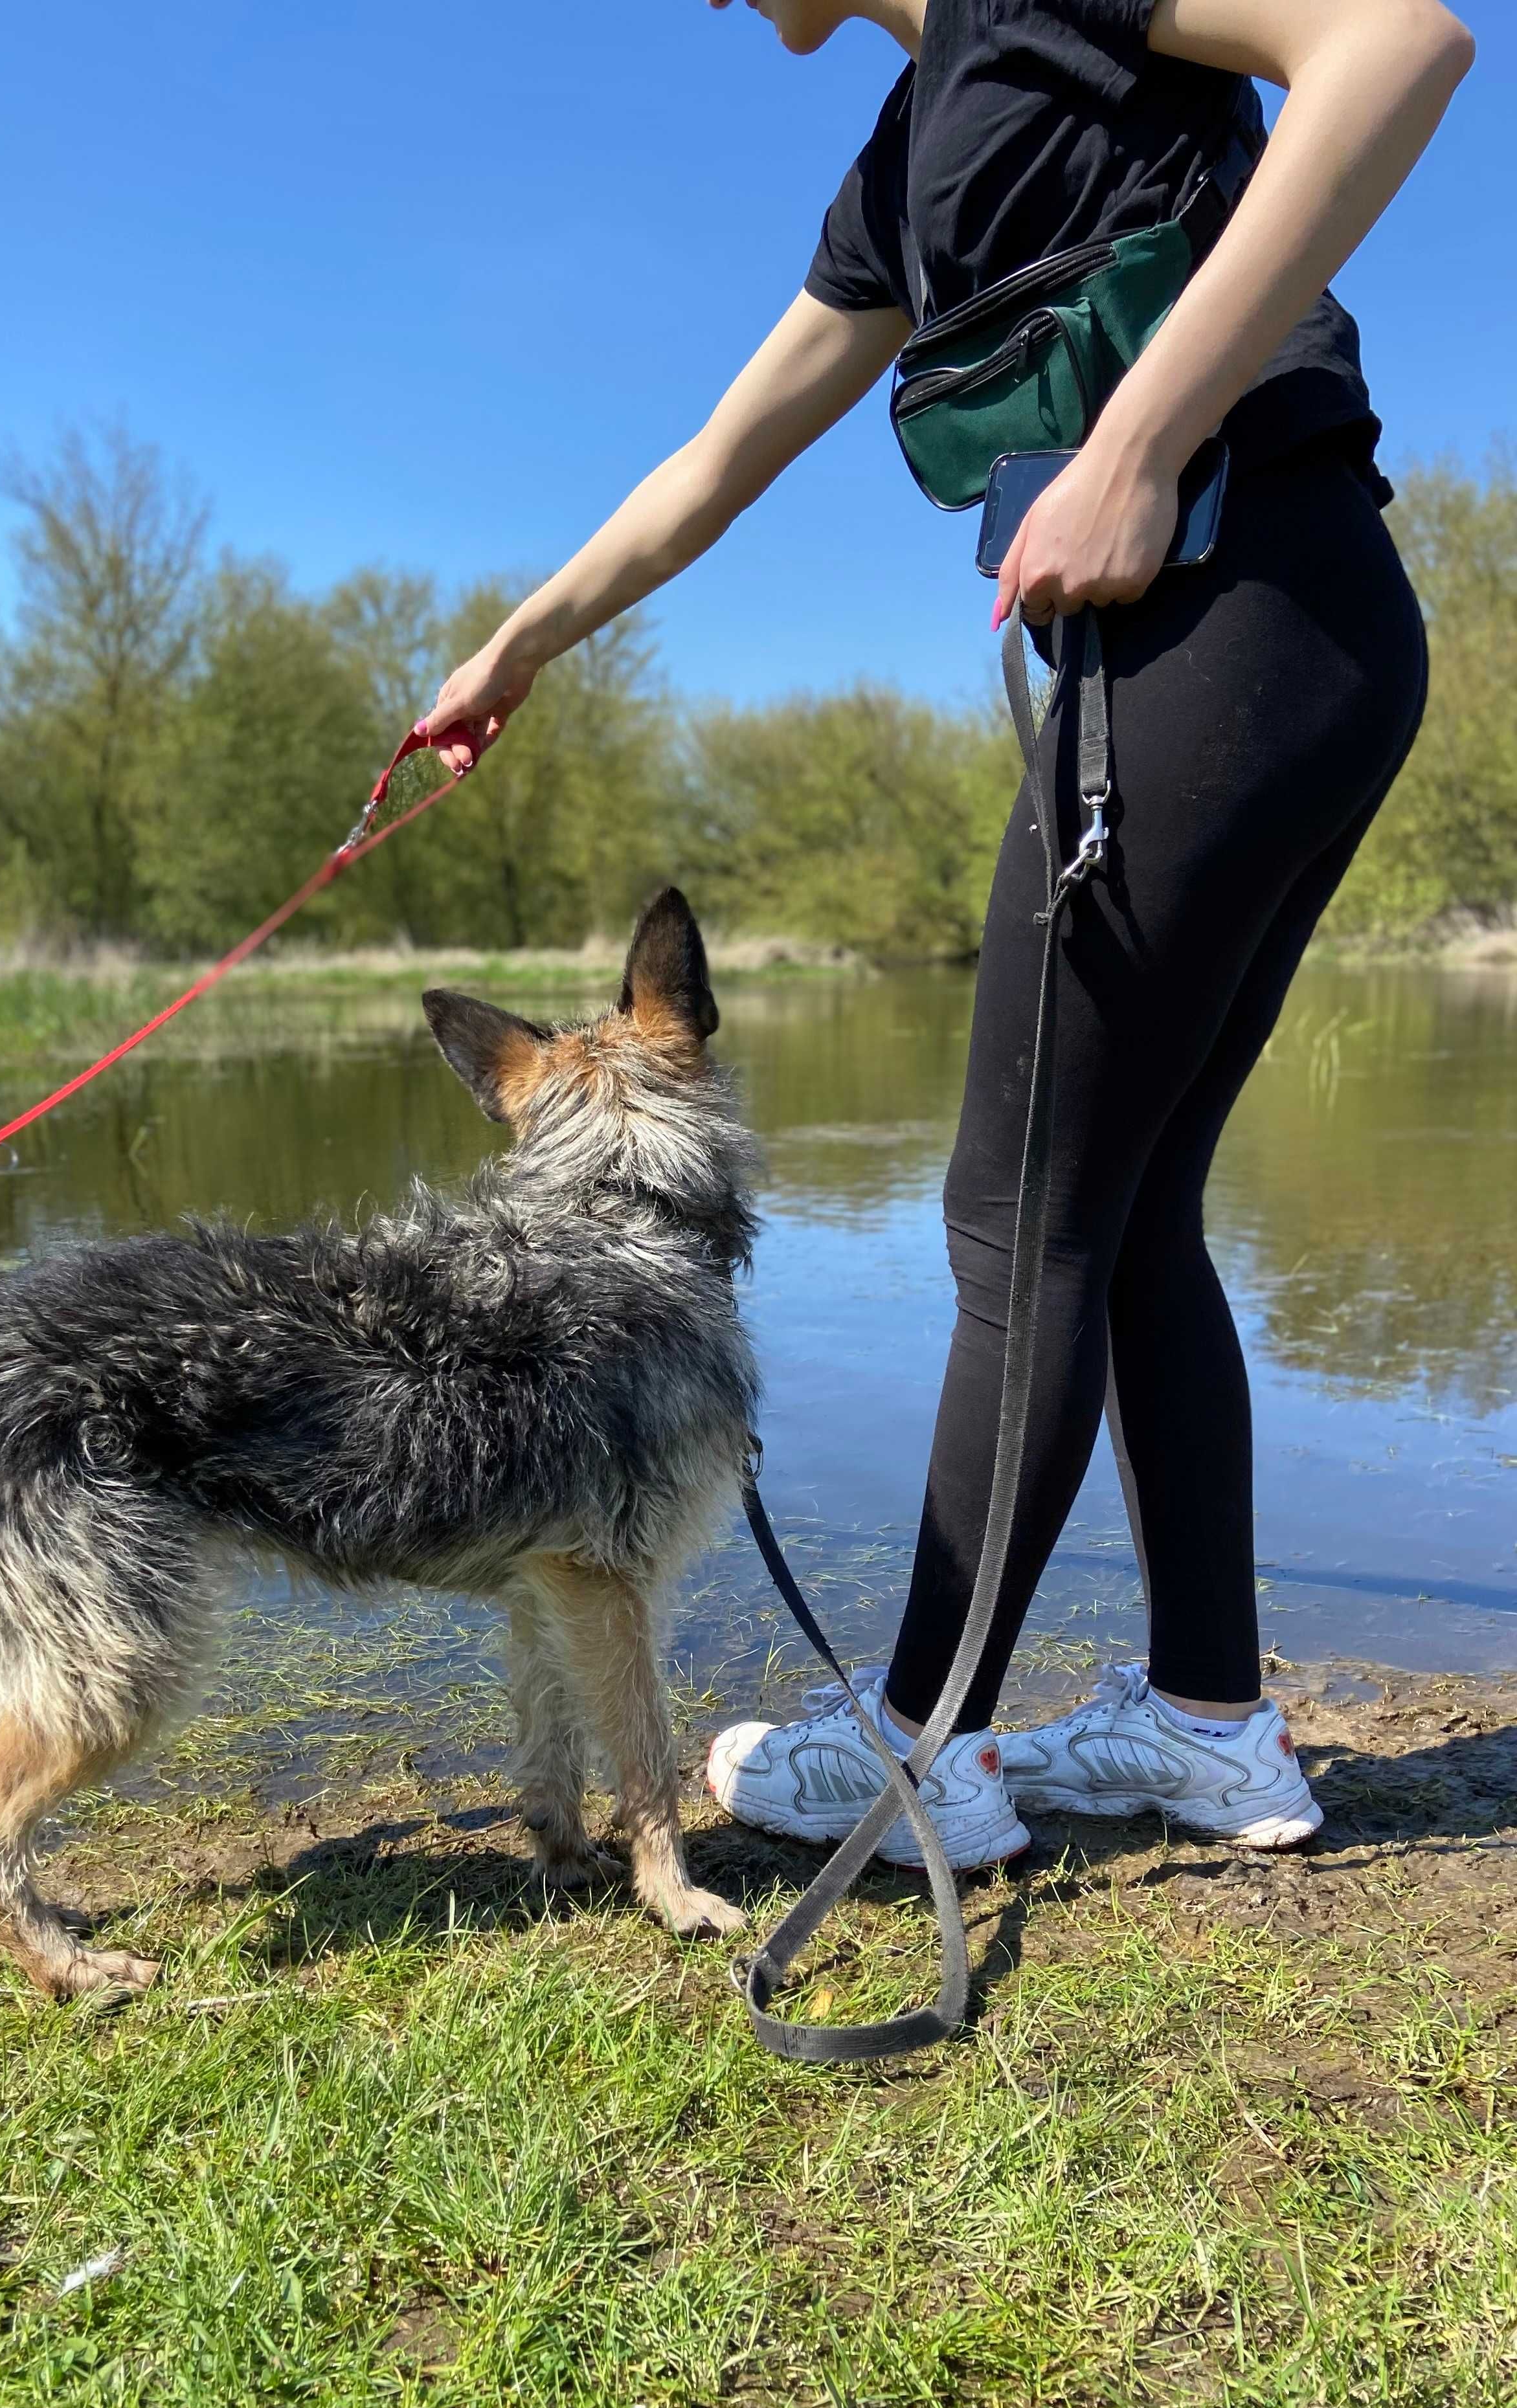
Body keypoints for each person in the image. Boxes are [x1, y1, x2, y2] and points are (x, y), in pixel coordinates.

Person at [418, 0, 1474, 1870]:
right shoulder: (904, 167)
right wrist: (520, 646)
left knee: (1010, 1213)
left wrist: (1138, 442)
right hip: (1275, 647)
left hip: (1236, 605)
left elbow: (1396, 46)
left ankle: (924, 1746)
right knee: (1125, 1205)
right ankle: (1209, 1724)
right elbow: (716, 459)